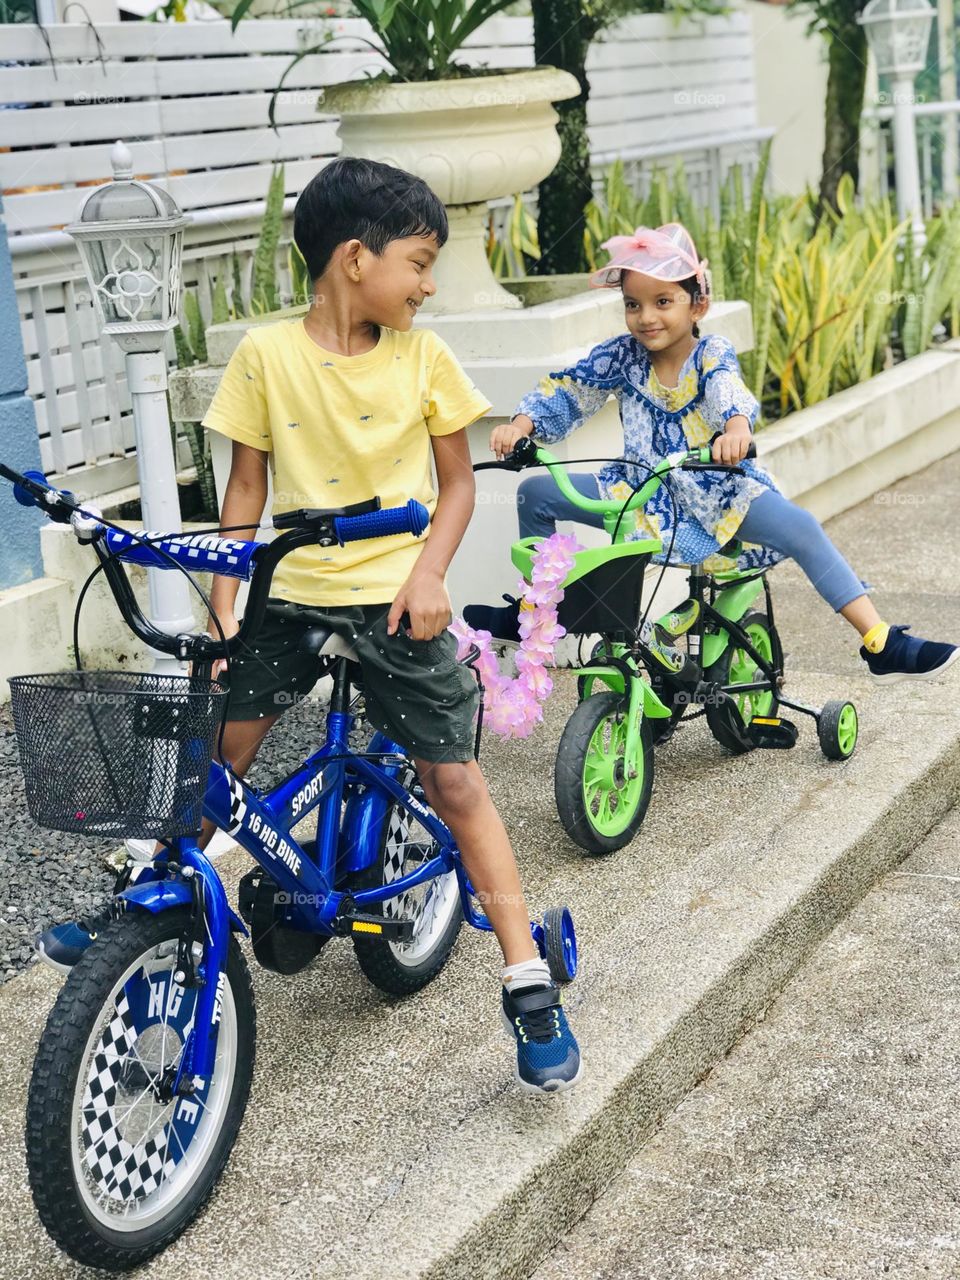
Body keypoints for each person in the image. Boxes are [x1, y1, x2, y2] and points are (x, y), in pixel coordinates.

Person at [35, 157, 580, 1096]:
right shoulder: (265, 357)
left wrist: (428, 575)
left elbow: (456, 487)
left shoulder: (423, 358)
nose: (428, 283)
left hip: (394, 595)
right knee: (220, 753)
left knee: (454, 778)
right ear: (354, 258)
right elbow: (244, 490)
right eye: (418, 261)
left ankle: (527, 977)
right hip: (287, 591)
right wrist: (225, 607)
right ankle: (138, 903)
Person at [465, 222, 958, 684]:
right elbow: (571, 388)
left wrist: (736, 430)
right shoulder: (622, 355)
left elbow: (727, 391)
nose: (646, 317)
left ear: (697, 305)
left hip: (719, 490)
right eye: (633, 304)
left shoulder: (710, 353)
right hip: (641, 489)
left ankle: (879, 640)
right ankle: (537, 613)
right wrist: (521, 425)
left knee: (803, 528)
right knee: (535, 493)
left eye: (662, 301)